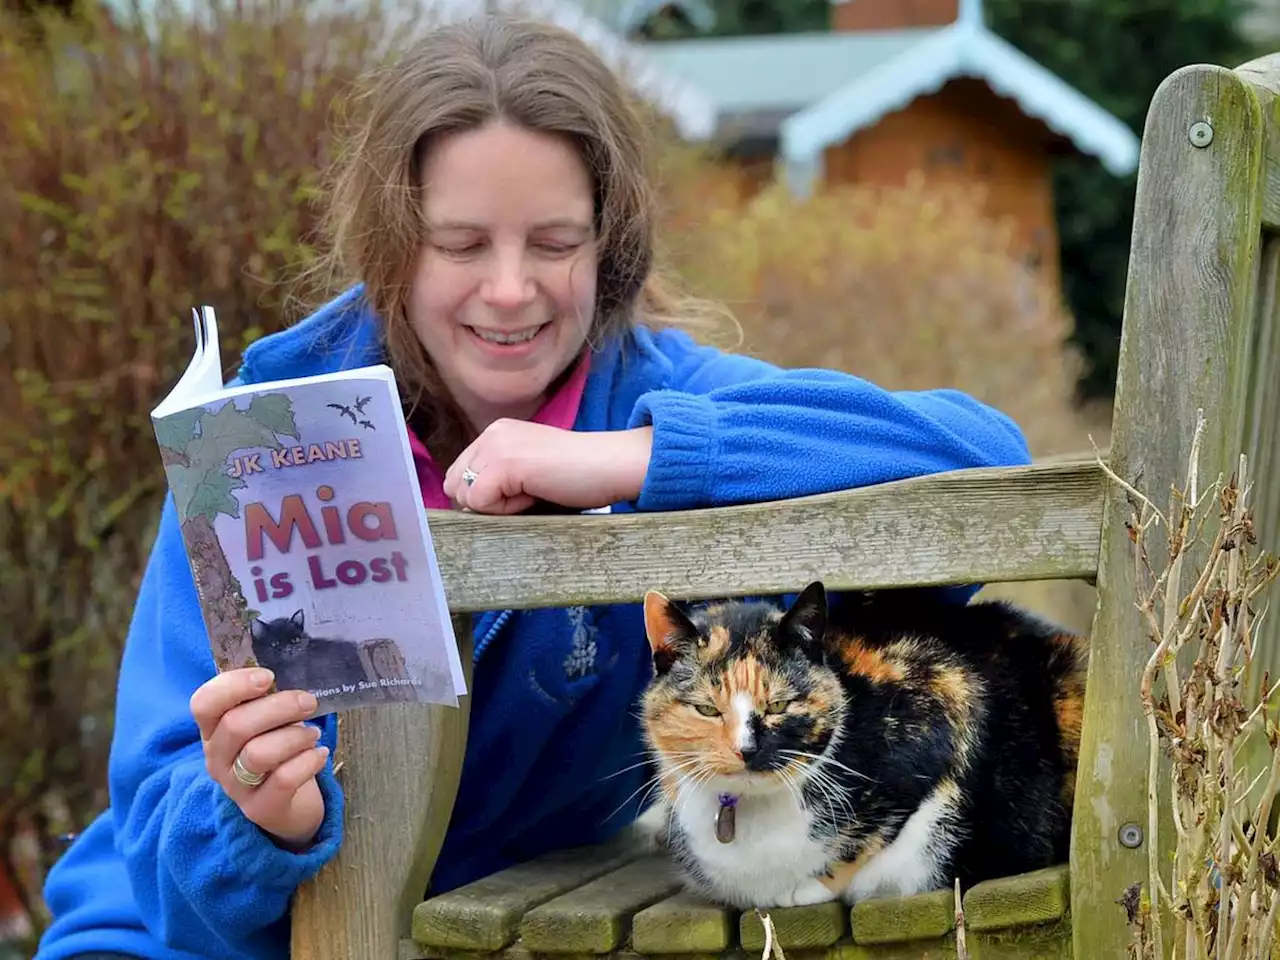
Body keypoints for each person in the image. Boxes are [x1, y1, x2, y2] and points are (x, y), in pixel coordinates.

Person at [35, 12, 1033, 960]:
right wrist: (256, 819)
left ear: (608, 246)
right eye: (460, 245)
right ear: (394, 247)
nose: (509, 290)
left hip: (458, 928)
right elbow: (161, 869)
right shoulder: (262, 434)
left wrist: (627, 462)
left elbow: (981, 454)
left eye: (553, 243)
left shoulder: (648, 400)